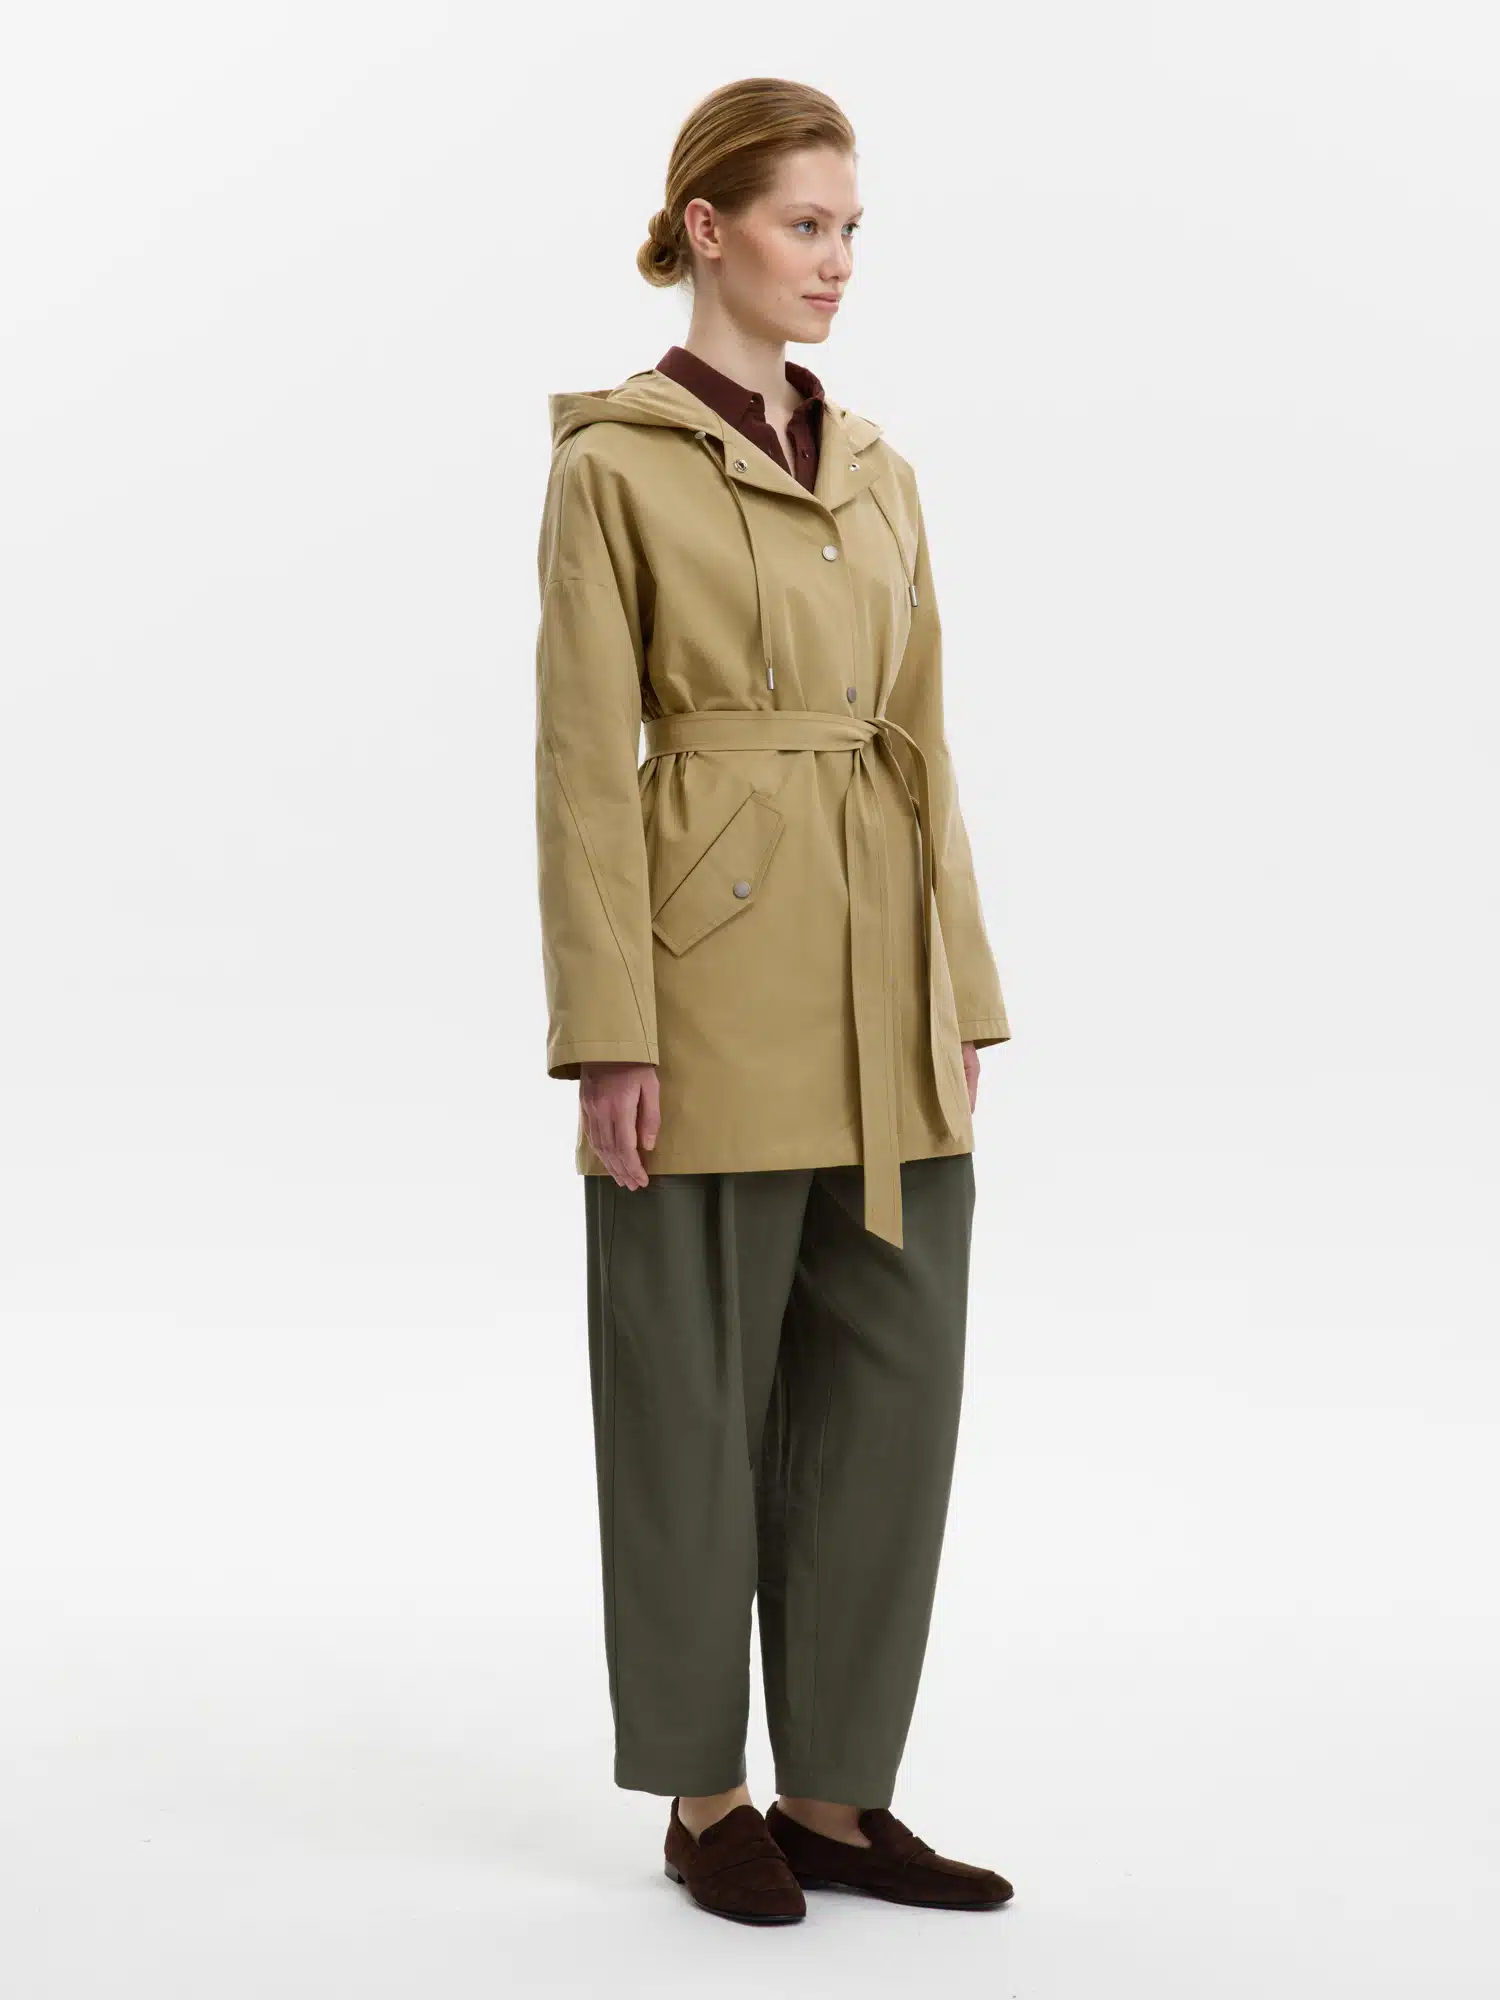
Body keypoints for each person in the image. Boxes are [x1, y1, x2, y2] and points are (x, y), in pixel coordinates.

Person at [532, 76, 1015, 1925]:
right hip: (706, 980)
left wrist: (960, 989)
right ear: (708, 228)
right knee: (689, 1392)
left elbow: (925, 743)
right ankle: (703, 1794)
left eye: (851, 229)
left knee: (891, 1390)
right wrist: (609, 1031)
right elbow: (583, 766)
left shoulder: (879, 470)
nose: (836, 262)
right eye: (807, 224)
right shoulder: (615, 466)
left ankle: (834, 1794)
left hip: (885, 983)